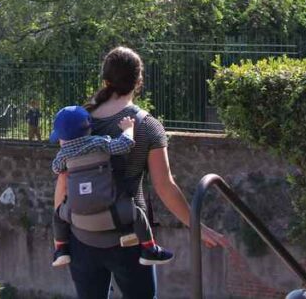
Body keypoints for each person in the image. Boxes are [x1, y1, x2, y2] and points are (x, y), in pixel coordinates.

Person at [55, 47, 228, 299]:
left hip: (82, 235)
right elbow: (164, 185)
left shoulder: (80, 121)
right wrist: (197, 227)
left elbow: (63, 179)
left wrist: (60, 235)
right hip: (130, 237)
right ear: (139, 81)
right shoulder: (146, 126)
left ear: (105, 80)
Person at [50, 106, 173, 267]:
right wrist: (128, 128)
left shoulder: (63, 155)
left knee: (58, 215)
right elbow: (125, 144)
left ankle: (61, 250)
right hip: (113, 212)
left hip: (76, 215)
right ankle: (149, 250)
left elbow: (56, 169)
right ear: (89, 129)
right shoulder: (100, 142)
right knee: (137, 214)